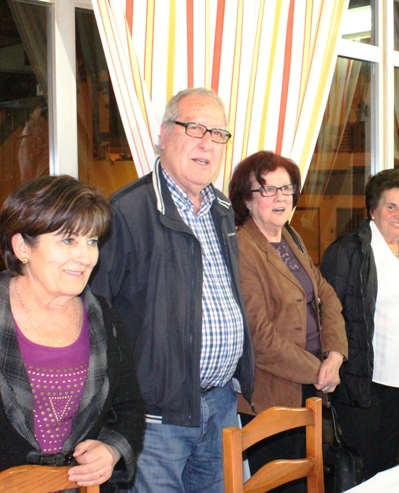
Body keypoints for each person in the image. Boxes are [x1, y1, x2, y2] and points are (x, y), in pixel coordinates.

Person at [0, 176, 146, 493]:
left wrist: (112, 450)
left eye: (92, 241)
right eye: (68, 240)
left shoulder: (105, 320)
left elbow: (129, 409)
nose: (86, 256)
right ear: (21, 247)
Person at [90, 87, 254, 493]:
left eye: (218, 134)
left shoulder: (222, 209)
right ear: (163, 135)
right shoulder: (125, 212)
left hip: (220, 404)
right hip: (156, 416)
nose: (207, 143)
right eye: (195, 128)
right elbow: (94, 317)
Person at [229, 151, 348, 491]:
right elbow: (259, 338)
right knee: (281, 487)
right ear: (247, 200)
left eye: (286, 188)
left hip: (310, 385)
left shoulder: (291, 238)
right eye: (268, 190)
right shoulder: (243, 248)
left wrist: (335, 356)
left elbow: (328, 298)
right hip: (270, 393)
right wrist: (319, 370)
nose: (281, 197)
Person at [320, 169, 399, 479]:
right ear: (373, 210)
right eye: (391, 206)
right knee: (362, 465)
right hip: (360, 376)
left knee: (387, 462)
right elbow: (328, 312)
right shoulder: (348, 251)